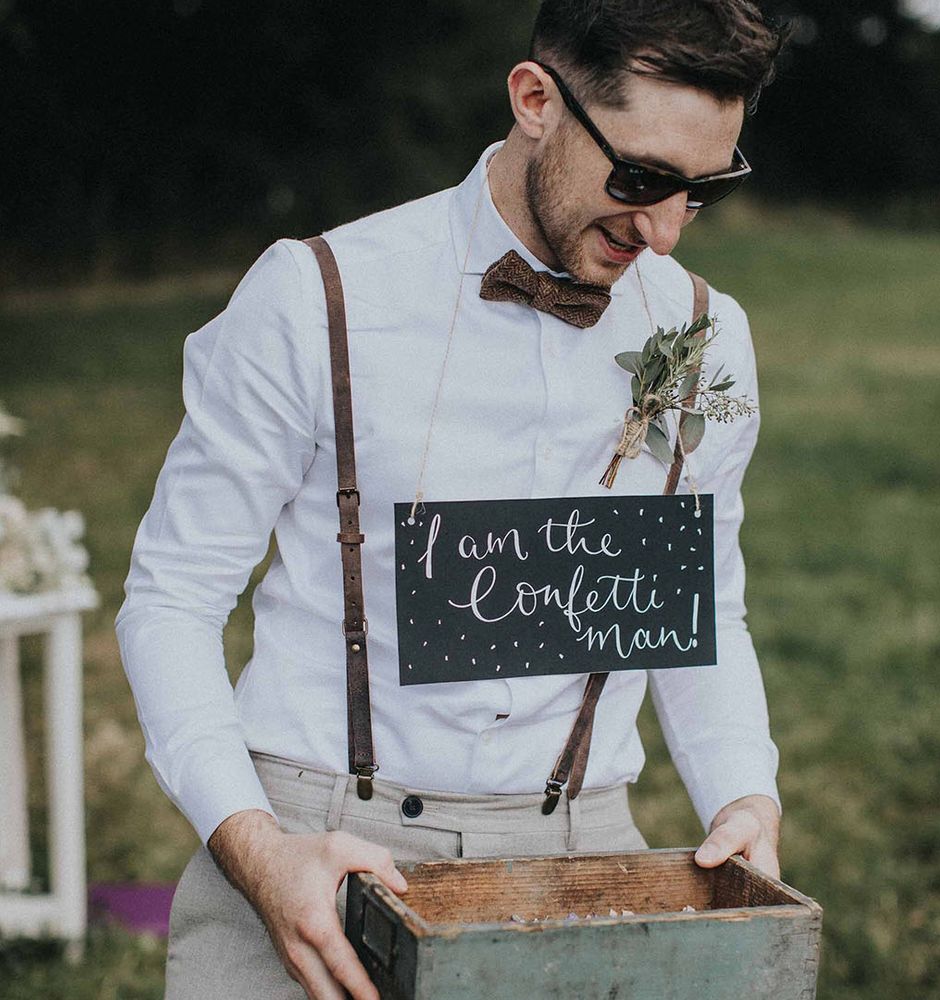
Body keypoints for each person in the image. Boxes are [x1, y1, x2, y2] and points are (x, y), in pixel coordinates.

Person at [115, 2, 789, 997]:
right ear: (534, 101)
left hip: (585, 856)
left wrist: (744, 790)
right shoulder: (318, 298)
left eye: (701, 191)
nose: (660, 231)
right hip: (317, 845)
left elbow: (696, 610)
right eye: (641, 178)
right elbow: (171, 596)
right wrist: (256, 848)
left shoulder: (703, 334)